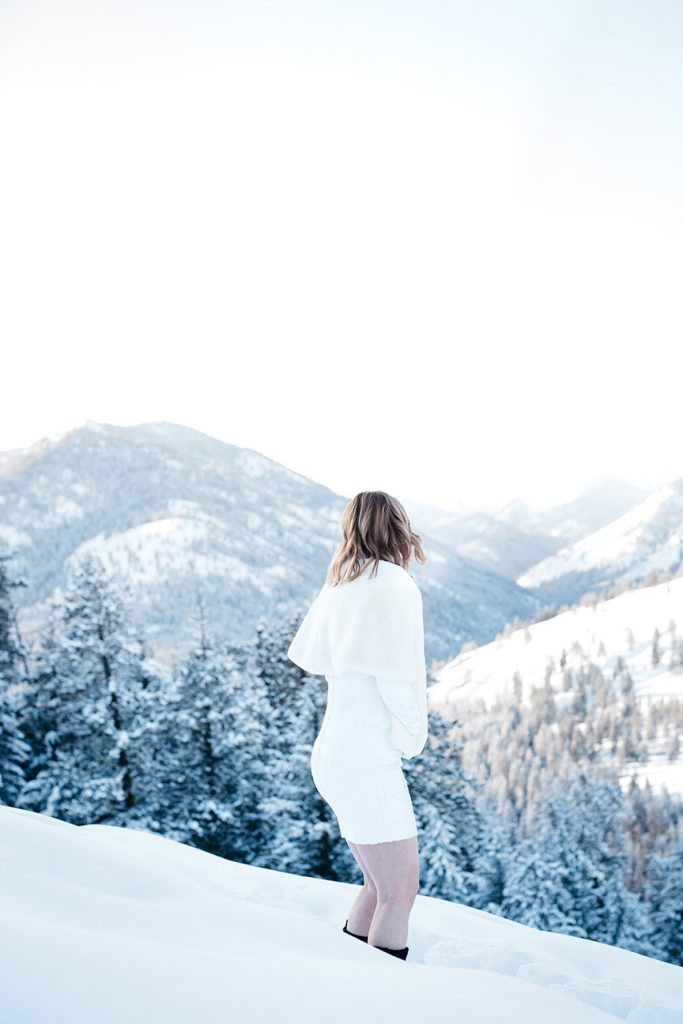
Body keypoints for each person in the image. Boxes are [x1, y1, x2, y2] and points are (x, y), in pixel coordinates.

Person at [287, 490, 429, 962]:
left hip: (333, 755)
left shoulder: (341, 582)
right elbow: (394, 680)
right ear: (397, 527)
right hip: (366, 760)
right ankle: (381, 998)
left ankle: (355, 985)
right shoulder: (394, 585)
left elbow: (316, 659)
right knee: (400, 890)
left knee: (379, 884)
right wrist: (412, 737)